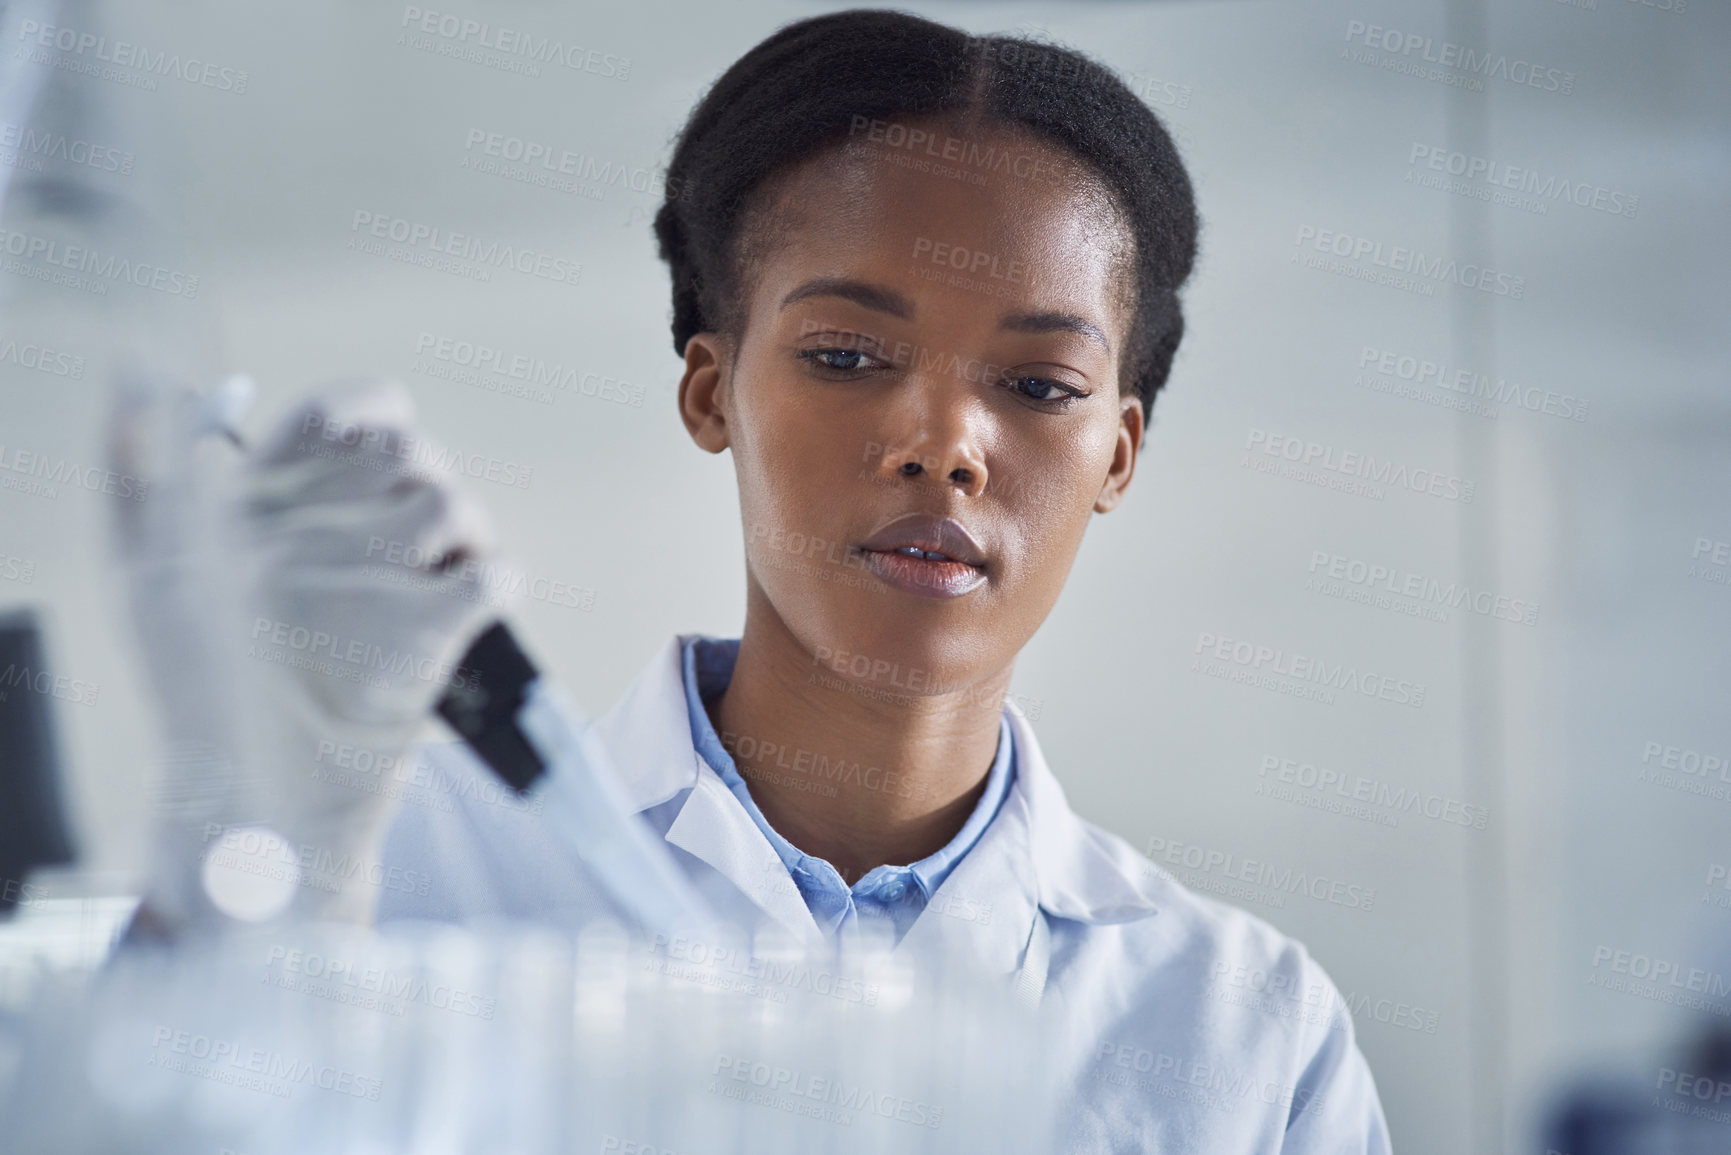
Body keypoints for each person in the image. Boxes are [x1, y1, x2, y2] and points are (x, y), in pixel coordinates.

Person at [370, 10, 1391, 1151]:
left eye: (1042, 386)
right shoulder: (400, 885)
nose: (944, 443)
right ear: (714, 392)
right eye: (847, 356)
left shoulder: (1242, 1036)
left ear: (1120, 451)